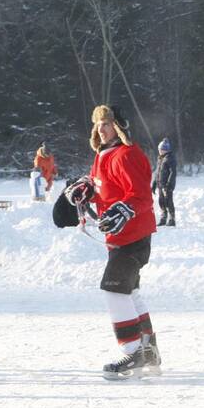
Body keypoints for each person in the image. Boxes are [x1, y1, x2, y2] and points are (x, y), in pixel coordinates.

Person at [64, 104, 159, 380]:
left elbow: (141, 197)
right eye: (98, 125)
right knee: (130, 292)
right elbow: (105, 187)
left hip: (134, 237)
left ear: (119, 127)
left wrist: (124, 209)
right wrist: (87, 190)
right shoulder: (103, 155)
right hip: (118, 238)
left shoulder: (127, 155)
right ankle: (148, 349)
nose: (101, 130)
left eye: (106, 124)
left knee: (113, 290)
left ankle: (133, 351)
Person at [152, 138, 177, 226]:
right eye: (159, 149)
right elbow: (157, 172)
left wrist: (168, 185)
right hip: (160, 184)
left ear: (166, 150)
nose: (160, 151)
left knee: (168, 201)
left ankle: (172, 219)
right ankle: (163, 218)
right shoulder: (160, 159)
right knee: (161, 201)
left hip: (167, 185)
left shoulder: (170, 158)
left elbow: (173, 172)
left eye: (162, 149)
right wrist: (154, 183)